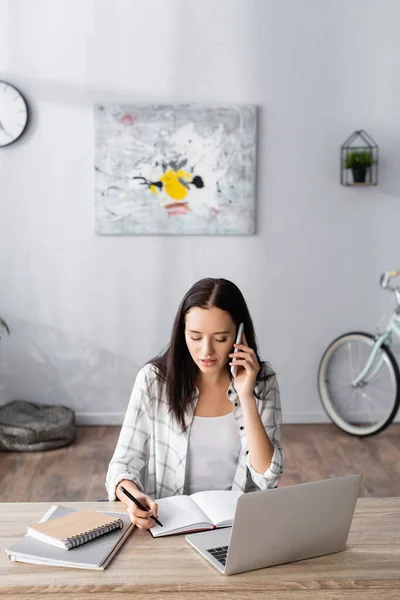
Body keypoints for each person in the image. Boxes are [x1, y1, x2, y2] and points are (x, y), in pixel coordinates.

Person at [105, 278, 284, 529]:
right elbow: (122, 466)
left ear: (240, 335)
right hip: (169, 524)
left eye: (221, 338)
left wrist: (246, 395)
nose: (206, 351)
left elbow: (268, 477)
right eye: (195, 337)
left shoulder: (262, 382)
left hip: (239, 527)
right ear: (182, 332)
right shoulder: (153, 381)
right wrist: (133, 499)